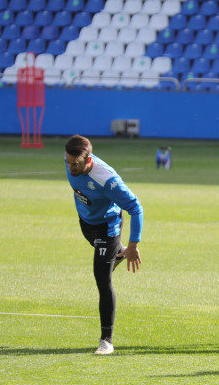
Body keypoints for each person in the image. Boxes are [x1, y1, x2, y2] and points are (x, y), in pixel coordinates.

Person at [64, 135, 143, 355]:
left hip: (107, 228)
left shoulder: (107, 180)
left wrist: (134, 245)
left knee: (102, 278)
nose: (70, 167)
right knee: (105, 261)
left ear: (88, 160)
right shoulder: (72, 158)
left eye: (75, 164)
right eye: (68, 162)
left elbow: (136, 208)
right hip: (86, 223)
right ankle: (118, 254)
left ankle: (106, 340)